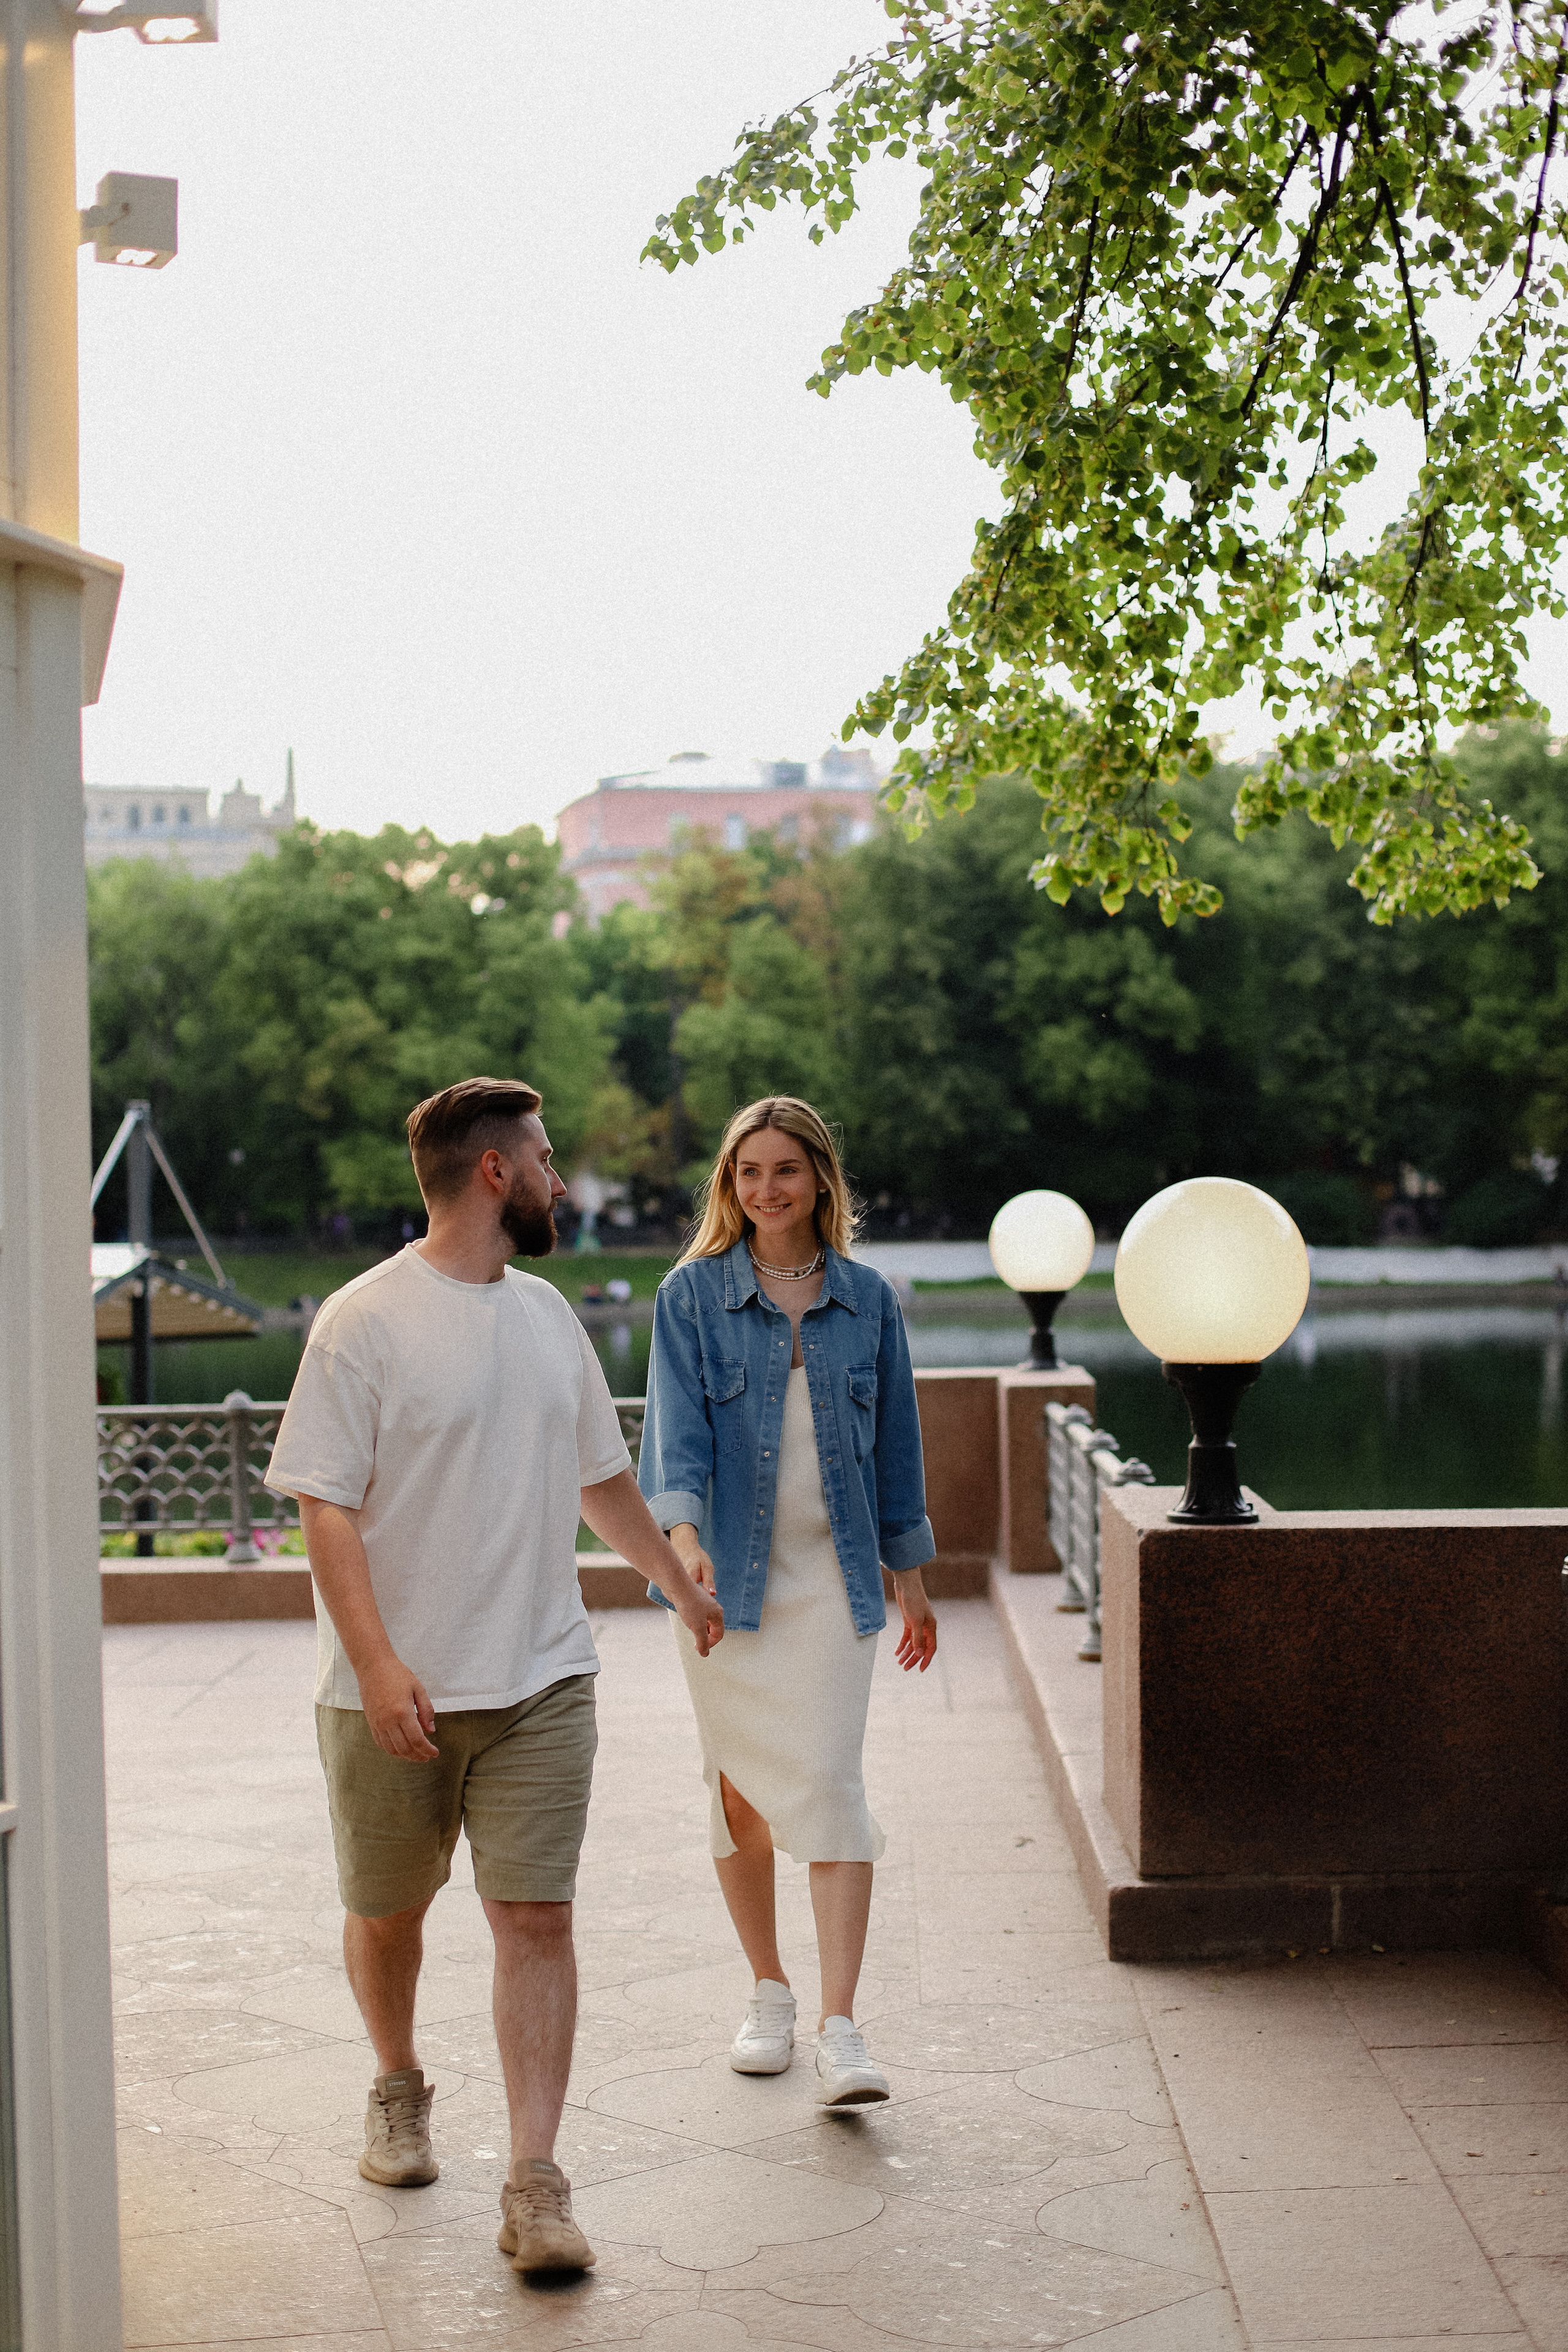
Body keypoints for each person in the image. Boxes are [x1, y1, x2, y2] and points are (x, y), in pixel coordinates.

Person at [265, 1077, 723, 2275]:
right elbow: (324, 1510)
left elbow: (602, 1483)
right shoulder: (359, 1322)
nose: (562, 1180)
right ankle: (397, 2085)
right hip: (390, 1689)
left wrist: (677, 1583)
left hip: (540, 1677)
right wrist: (375, 1663)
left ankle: (534, 2185)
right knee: (388, 1913)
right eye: (546, 1158)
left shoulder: (546, 1319)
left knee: (534, 1918)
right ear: (491, 1173)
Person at [636, 1095, 937, 2106]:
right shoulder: (691, 1299)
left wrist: (914, 1579)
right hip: (728, 1583)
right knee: (739, 1796)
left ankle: (841, 2027)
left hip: (835, 1586)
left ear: (820, 1181)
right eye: (748, 1172)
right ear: (730, 1186)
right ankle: (768, 1990)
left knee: (832, 1782)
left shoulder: (870, 1299)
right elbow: (672, 1442)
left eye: (786, 1170)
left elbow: (898, 1446)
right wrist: (683, 1551)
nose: (767, 1189)